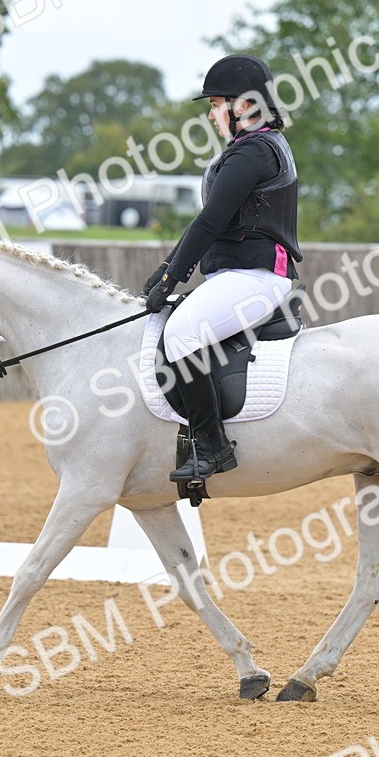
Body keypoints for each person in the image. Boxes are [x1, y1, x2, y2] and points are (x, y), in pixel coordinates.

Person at [142, 54, 303, 484]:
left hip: (256, 277)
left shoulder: (255, 151)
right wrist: (164, 270)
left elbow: (210, 222)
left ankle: (212, 447)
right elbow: (209, 221)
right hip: (238, 276)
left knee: (181, 335)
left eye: (216, 104)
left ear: (245, 106)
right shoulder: (248, 149)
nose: (211, 114)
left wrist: (172, 276)